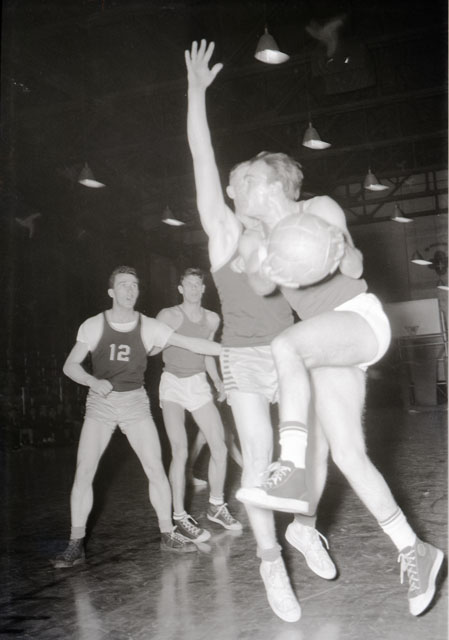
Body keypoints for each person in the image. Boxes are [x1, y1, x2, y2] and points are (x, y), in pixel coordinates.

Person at [222, 148, 444, 617]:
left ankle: (289, 467)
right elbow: (262, 286)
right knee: (345, 453)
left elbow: (357, 269)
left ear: (276, 184)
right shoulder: (254, 238)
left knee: (286, 345)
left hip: (357, 318)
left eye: (248, 180)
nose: (236, 188)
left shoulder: (318, 207)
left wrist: (336, 247)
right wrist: (264, 260)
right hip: (325, 341)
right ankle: (413, 548)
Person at [186, 40, 336, 623]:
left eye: (257, 175)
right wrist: (196, 93)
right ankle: (271, 562)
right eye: (243, 176)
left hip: (290, 353)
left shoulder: (285, 227)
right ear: (232, 191)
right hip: (245, 357)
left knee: (318, 446)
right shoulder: (225, 233)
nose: (252, 181)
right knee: (259, 456)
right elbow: (201, 155)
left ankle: (304, 527)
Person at [52, 265, 223, 568]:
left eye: (134, 285)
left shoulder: (148, 326)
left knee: (155, 468)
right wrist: (92, 381)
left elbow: (191, 343)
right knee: (84, 470)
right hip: (101, 404)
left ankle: (167, 533)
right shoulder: (93, 325)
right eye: (123, 284)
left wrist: (232, 350)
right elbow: (70, 365)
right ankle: (75, 543)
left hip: (135, 403)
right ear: (111, 291)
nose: (130, 289)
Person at [156, 267, 242, 544]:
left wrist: (217, 381)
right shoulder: (168, 315)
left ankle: (216, 505)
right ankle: (180, 517)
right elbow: (154, 346)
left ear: (203, 289)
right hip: (172, 384)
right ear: (180, 289)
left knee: (220, 446)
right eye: (189, 284)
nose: (194, 288)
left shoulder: (212, 319)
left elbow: (207, 353)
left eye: (198, 284)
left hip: (198, 384)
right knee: (180, 450)